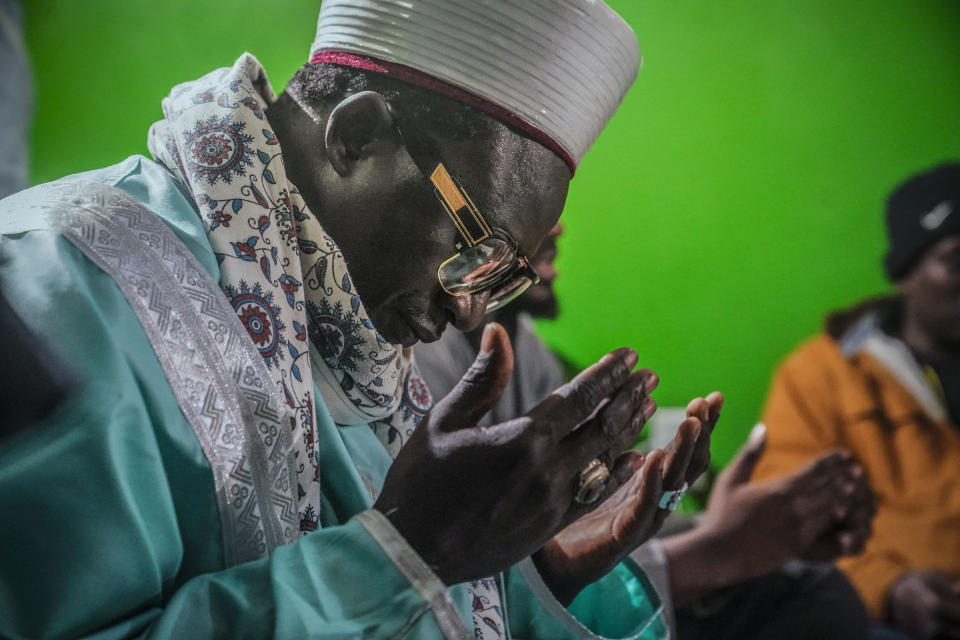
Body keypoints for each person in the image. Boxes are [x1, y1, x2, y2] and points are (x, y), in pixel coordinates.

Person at [0, 1, 723, 638]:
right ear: (357, 136)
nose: (469, 307)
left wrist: (536, 575)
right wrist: (408, 554)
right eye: (478, 247)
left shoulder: (354, 348)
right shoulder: (60, 283)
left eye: (503, 279)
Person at [418, 221, 876, 640]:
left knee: (806, 580)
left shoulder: (527, 350)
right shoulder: (422, 361)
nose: (558, 225)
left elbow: (565, 523)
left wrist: (738, 524)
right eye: (530, 201)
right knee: (809, 600)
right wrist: (715, 552)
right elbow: (461, 583)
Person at [753, 162, 960, 639]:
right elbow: (785, 521)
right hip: (883, 619)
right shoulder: (823, 375)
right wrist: (891, 588)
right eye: (957, 260)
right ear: (907, 272)